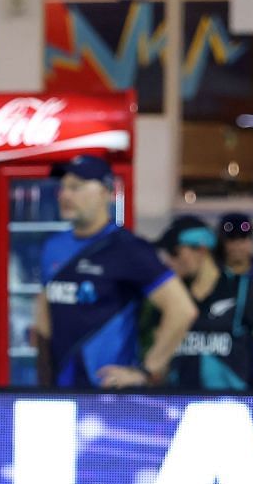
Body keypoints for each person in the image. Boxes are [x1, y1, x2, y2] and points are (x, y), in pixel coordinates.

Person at [33, 155, 196, 389]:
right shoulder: (53, 247)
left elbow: (182, 310)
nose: (65, 195)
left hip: (109, 396)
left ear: (105, 193)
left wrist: (147, 371)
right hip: (61, 391)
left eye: (76, 187)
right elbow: (44, 313)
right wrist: (42, 380)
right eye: (63, 187)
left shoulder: (128, 248)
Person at [154, 215, 253, 390]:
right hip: (180, 406)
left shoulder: (241, 289)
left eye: (175, 253)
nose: (170, 261)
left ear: (201, 249)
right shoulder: (173, 294)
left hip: (228, 406)